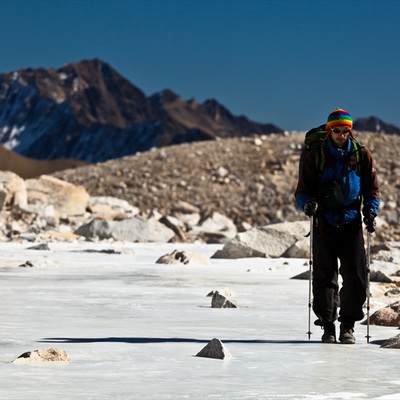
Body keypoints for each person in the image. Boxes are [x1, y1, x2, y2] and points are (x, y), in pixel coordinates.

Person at [295, 108, 380, 344]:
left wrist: (370, 212)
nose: (341, 135)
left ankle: (348, 326)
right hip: (324, 223)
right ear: (329, 131)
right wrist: (307, 205)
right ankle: (328, 326)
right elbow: (302, 190)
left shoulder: (362, 154)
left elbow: (372, 190)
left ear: (350, 131)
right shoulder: (318, 156)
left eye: (345, 131)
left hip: (352, 223)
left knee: (356, 276)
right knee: (324, 277)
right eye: (336, 131)